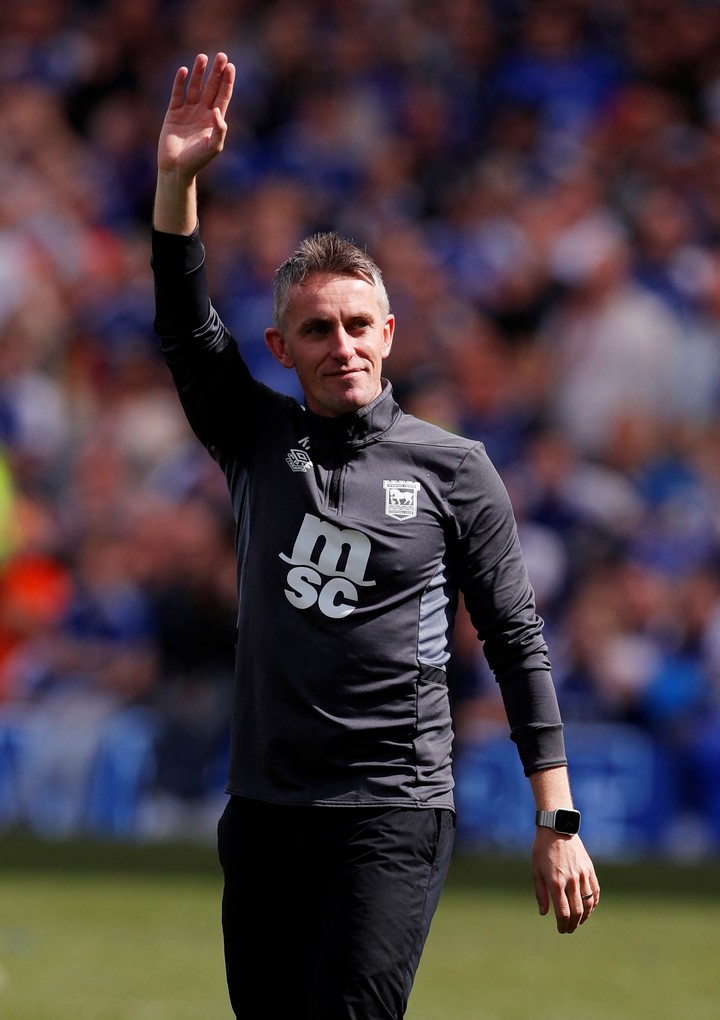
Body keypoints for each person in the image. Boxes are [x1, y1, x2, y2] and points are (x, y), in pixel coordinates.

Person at [151, 52, 599, 1020]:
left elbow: (518, 639)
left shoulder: (455, 468)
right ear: (281, 349)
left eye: (359, 324)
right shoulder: (254, 437)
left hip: (391, 809)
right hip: (265, 812)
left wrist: (555, 816)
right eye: (318, 330)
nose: (342, 345)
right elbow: (186, 329)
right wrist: (178, 182)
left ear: (391, 332)